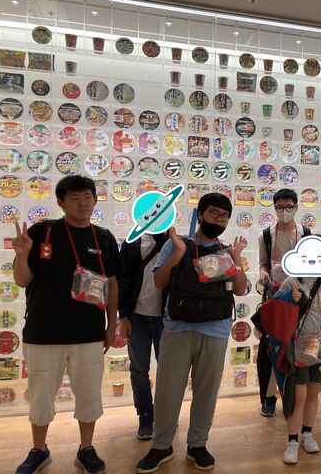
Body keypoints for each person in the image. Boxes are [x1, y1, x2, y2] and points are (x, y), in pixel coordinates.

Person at [13, 175, 120, 474]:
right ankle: (39, 449)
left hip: (88, 332)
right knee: (41, 395)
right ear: (61, 202)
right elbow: (22, 280)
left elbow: (112, 284)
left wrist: (111, 326)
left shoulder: (104, 238)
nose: (82, 203)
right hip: (43, 332)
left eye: (87, 196)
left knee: (89, 394)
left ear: (95, 199)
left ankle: (86, 448)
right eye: (74, 198)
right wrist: (22, 256)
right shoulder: (42, 232)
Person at [136, 193, 248, 473]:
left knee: (207, 390)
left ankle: (198, 444)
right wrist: (178, 254)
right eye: (213, 213)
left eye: (224, 216)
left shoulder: (226, 251)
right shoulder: (178, 244)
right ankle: (161, 445)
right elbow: (159, 282)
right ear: (200, 215)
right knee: (168, 390)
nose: (218, 220)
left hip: (216, 329)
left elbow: (239, 289)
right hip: (178, 327)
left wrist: (236, 259)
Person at [276, 275, 321, 464]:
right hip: (297, 346)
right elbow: (277, 306)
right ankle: (292, 441)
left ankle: (307, 432)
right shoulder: (291, 281)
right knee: (298, 396)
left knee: (314, 392)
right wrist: (292, 299)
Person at [257, 189, 310, 417]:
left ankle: (294, 397)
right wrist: (263, 274)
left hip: (299, 297)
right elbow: (263, 264)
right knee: (271, 347)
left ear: (296, 207)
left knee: (297, 347)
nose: (284, 211)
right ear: (274, 209)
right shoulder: (266, 235)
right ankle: (269, 399)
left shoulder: (306, 234)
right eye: (280, 208)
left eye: (289, 207)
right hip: (275, 297)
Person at [118, 232, 169, 440]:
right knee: (139, 369)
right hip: (136, 316)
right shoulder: (131, 242)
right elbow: (122, 280)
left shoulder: (174, 241)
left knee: (168, 370)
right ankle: (145, 414)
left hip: (166, 318)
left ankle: (166, 414)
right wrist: (123, 316)